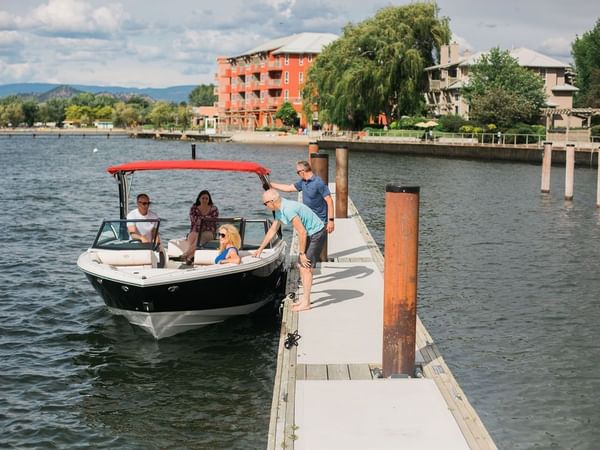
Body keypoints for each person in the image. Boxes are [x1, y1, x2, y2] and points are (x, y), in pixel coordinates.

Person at [254, 189, 326, 312]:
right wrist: (260, 248)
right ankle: (304, 299)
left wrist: (302, 253)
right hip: (309, 234)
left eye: (265, 204)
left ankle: (306, 302)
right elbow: (272, 230)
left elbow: (302, 232)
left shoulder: (287, 209)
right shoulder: (279, 210)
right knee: (301, 266)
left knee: (305, 267)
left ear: (271, 202)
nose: (265, 206)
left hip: (316, 233)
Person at [270, 160, 335, 234]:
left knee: (316, 244)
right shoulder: (303, 182)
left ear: (302, 171)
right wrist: (271, 185)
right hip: (309, 219)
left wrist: (331, 221)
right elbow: (289, 188)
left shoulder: (318, 182)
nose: (298, 174)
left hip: (320, 221)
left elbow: (329, 201)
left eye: (297, 172)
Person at [182, 190, 219, 262]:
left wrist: (202, 220)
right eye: (203, 198)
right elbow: (194, 220)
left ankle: (186, 254)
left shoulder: (214, 209)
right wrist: (205, 220)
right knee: (192, 236)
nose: (205, 200)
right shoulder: (194, 208)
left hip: (209, 231)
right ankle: (190, 257)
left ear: (209, 200)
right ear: (199, 199)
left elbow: (213, 221)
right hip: (196, 230)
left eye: (206, 198)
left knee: (200, 236)